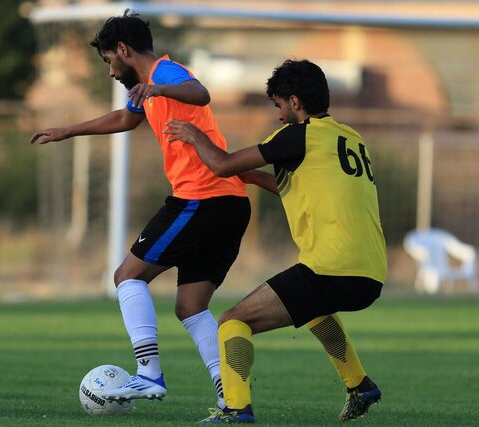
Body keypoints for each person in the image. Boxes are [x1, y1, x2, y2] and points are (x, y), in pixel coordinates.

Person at [30, 10, 250, 412]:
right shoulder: (151, 88)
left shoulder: (165, 75)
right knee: (191, 307)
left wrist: (159, 91)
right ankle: (233, 400)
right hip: (230, 204)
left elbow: (200, 93)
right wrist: (67, 130)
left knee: (126, 276)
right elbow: (124, 119)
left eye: (109, 61)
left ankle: (148, 373)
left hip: (201, 197)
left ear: (123, 50)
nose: (111, 72)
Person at [164, 59, 386, 424]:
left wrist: (194, 136)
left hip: (331, 266)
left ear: (295, 102)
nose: (279, 115)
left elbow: (221, 164)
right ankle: (359, 384)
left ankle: (235, 409)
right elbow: (299, 186)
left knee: (233, 320)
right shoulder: (350, 138)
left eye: (279, 105)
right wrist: (252, 178)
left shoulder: (298, 135)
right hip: (371, 272)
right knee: (313, 310)